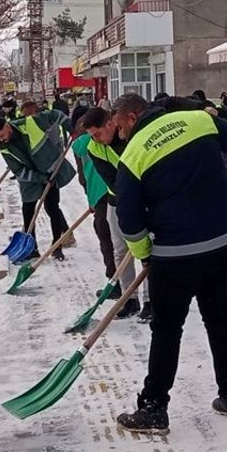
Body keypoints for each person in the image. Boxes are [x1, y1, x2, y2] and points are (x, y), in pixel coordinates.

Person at [109, 92, 227, 434]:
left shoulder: (133, 155)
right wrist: (225, 116)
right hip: (223, 245)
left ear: (133, 118)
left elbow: (129, 221)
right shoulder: (199, 121)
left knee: (166, 330)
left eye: (120, 127)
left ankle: (153, 407)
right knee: (220, 319)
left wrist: (145, 253)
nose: (120, 135)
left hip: (175, 256)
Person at [80, 107, 147, 320]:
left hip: (147, 200)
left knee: (148, 253)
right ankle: (130, 298)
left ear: (110, 124)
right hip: (116, 202)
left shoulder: (131, 137)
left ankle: (152, 301)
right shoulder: (94, 148)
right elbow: (112, 180)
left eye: (97, 134)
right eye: (92, 136)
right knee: (120, 252)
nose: (96, 139)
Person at [0, 107, 75, 259]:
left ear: (7, 126)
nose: (1, 139)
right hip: (30, 180)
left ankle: (57, 246)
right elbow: (19, 171)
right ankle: (32, 248)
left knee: (52, 208)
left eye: (2, 135)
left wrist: (70, 127)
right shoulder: (5, 149)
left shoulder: (31, 122)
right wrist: (40, 178)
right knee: (28, 211)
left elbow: (55, 114)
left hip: (50, 171)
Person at [70, 112, 115, 285]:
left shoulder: (79, 146)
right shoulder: (110, 137)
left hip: (99, 194)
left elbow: (82, 177)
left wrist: (90, 200)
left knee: (106, 238)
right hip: (117, 191)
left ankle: (114, 280)